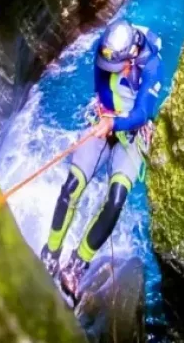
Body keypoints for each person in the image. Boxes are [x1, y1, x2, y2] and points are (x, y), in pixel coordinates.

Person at [40, 19, 163, 302]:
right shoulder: (104, 49)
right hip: (104, 120)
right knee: (72, 185)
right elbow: (102, 84)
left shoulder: (152, 66)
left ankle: (77, 265)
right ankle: (50, 253)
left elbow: (142, 112)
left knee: (116, 198)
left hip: (131, 134)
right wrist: (106, 114)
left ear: (132, 54)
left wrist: (115, 123)